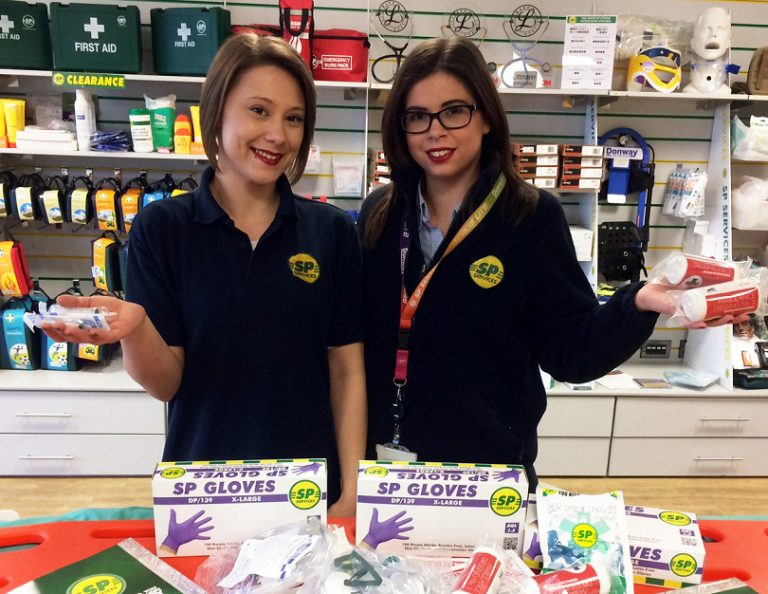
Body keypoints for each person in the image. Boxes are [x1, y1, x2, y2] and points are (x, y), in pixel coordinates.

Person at [357, 36, 744, 486]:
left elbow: (570, 351)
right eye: (417, 116)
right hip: (383, 467)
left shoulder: (531, 215)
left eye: (454, 111)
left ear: (485, 117)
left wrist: (636, 303)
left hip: (488, 473)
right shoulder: (379, 214)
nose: (435, 131)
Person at [42, 34, 366, 515]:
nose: (278, 134)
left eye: (293, 118)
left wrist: (351, 494)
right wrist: (136, 330)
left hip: (310, 490)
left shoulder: (332, 231)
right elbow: (165, 383)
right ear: (216, 113)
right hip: (204, 493)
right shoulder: (163, 228)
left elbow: (346, 371)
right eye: (259, 110)